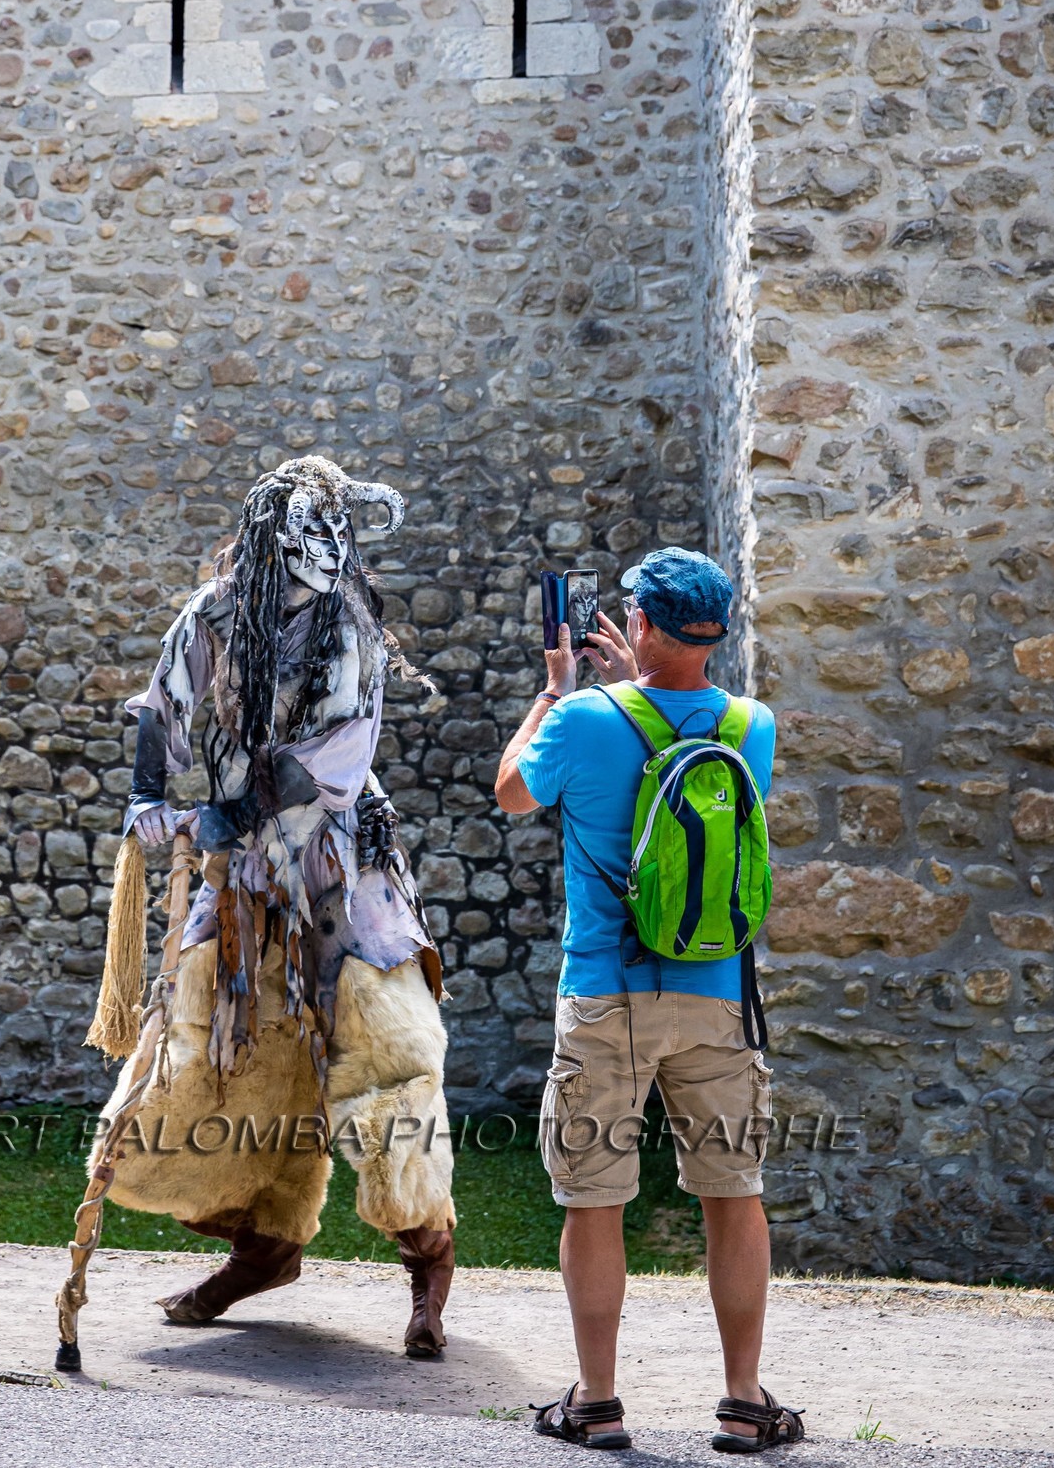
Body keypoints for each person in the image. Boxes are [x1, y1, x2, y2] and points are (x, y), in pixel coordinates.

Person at [54, 455, 456, 1374]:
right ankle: (263, 1249)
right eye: (308, 534)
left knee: (389, 1056)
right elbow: (163, 703)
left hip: (340, 869)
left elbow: (337, 755)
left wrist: (222, 814)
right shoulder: (215, 612)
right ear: (273, 537)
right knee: (205, 1055)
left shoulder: (348, 622)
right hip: (241, 885)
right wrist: (144, 794)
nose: (326, 550)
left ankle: (428, 1260)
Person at [495, 547, 802, 1455]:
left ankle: (597, 1400)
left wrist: (554, 692)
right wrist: (640, 688)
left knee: (595, 1200)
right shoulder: (753, 724)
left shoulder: (583, 718)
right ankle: (744, 1400)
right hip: (717, 995)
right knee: (733, 1193)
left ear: (641, 626)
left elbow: (513, 792)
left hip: (606, 993)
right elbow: (688, 792)